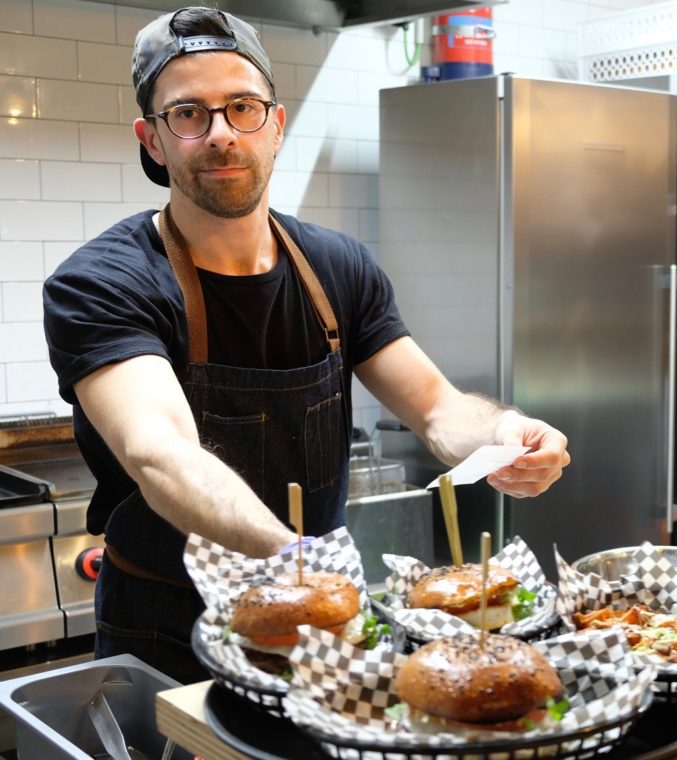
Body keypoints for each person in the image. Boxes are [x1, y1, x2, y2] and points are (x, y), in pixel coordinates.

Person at [41, 7, 570, 684]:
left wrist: (507, 433)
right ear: (152, 140)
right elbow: (160, 454)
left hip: (318, 630)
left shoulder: (338, 268)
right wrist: (293, 560)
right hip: (164, 629)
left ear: (277, 125)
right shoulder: (102, 281)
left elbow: (437, 410)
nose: (221, 134)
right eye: (188, 114)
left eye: (242, 107)